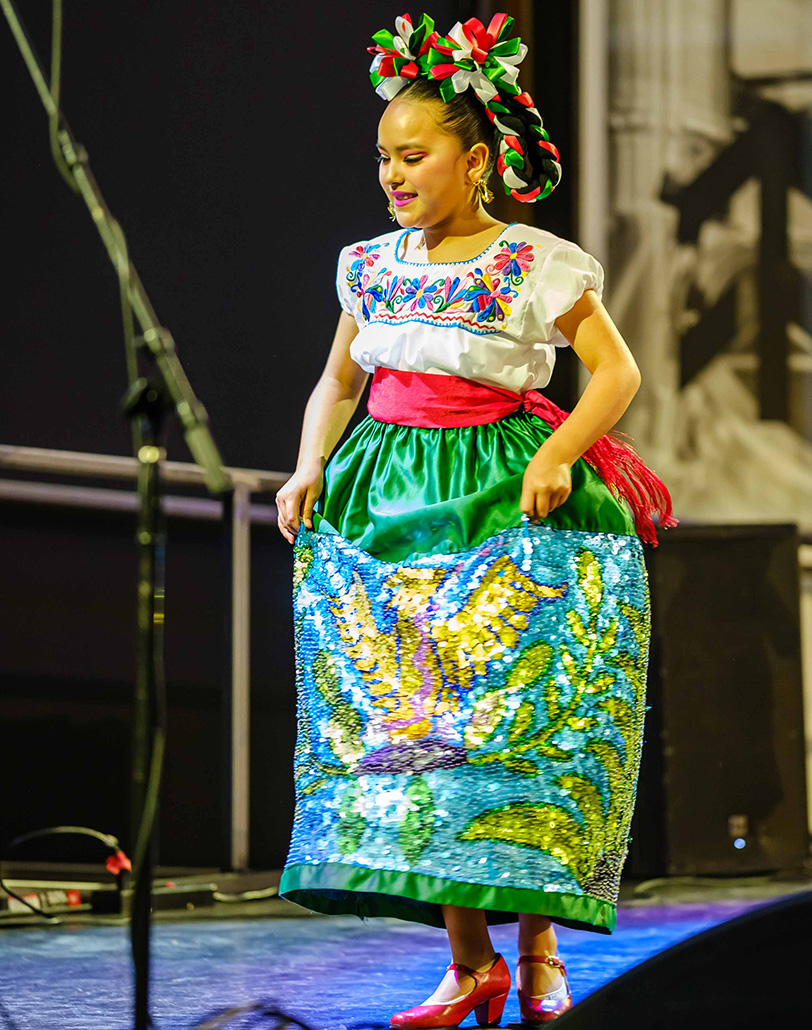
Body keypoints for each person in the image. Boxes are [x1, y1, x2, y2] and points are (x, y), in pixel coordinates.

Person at [275, 12, 677, 1028]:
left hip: (499, 500)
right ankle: (467, 963)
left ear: (477, 157)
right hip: (384, 511)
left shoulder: (533, 260)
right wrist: (303, 466)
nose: (392, 174)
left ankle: (535, 949)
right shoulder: (369, 265)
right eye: (383, 157)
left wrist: (555, 452)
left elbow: (615, 373)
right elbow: (333, 382)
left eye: (412, 154)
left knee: (503, 730)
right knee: (419, 731)